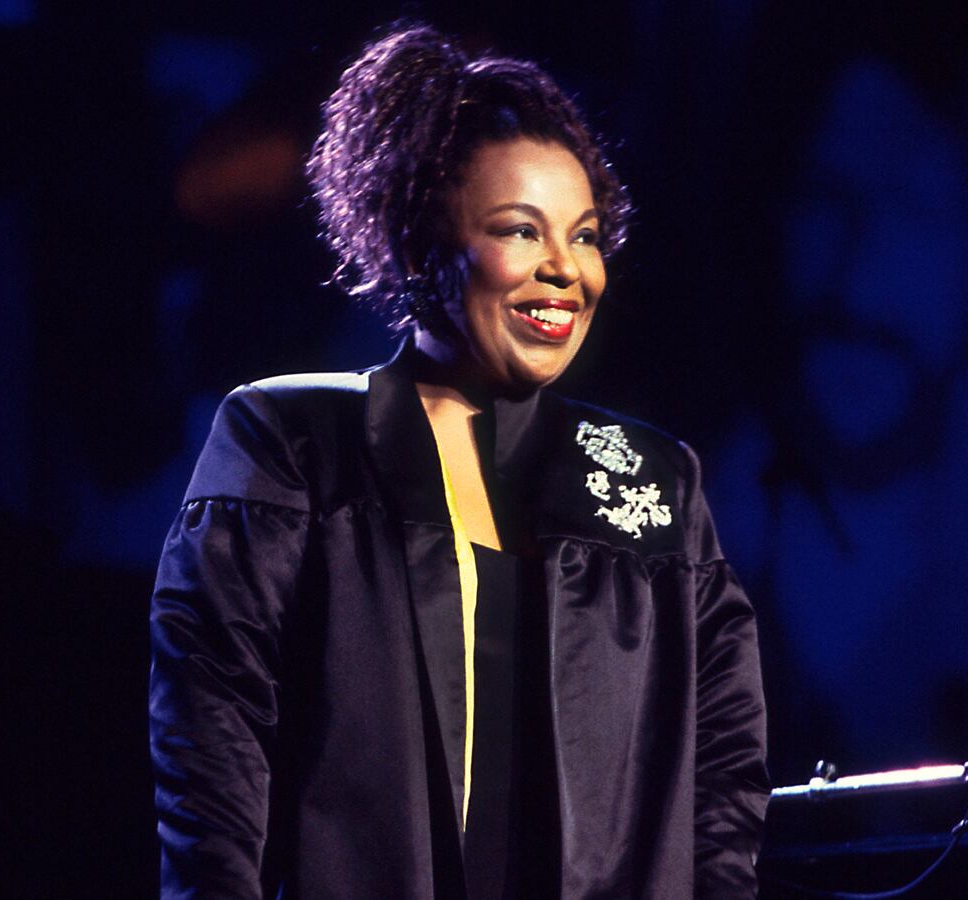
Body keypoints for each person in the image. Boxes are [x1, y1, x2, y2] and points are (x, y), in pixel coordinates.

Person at [149, 24, 768, 899]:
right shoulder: (293, 444)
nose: (565, 270)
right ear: (420, 242)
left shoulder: (652, 481)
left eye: (585, 236)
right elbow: (213, 749)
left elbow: (725, 770)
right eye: (522, 231)